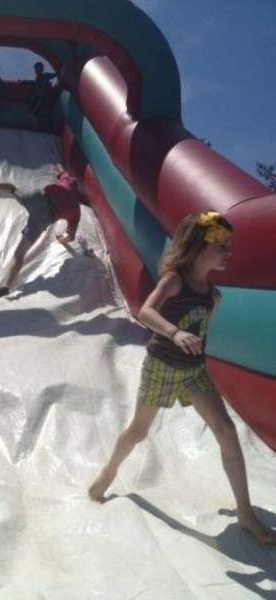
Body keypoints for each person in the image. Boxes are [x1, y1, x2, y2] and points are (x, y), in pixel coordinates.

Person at [88, 211, 276, 545]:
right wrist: (175, 333)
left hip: (194, 371)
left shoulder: (213, 296)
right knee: (138, 431)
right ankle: (110, 470)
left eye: (229, 246)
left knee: (226, 430)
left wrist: (193, 346)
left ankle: (246, 513)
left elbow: (201, 334)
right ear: (201, 246)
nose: (229, 252)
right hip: (162, 366)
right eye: (222, 246)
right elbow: (147, 311)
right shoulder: (175, 280)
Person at [0, 165, 81, 299]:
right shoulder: (76, 213)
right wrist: (62, 239)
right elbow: (71, 236)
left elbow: (61, 170)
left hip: (39, 200)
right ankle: (5, 287)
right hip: (44, 218)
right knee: (20, 253)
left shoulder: (70, 181)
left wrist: (56, 165)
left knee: (13, 189)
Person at [29, 61, 56, 129]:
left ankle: (38, 127)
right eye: (36, 69)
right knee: (32, 112)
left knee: (34, 112)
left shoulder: (45, 76)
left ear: (42, 69)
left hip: (45, 99)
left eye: (38, 69)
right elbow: (37, 91)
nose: (37, 71)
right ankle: (37, 126)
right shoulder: (37, 79)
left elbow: (56, 75)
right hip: (39, 99)